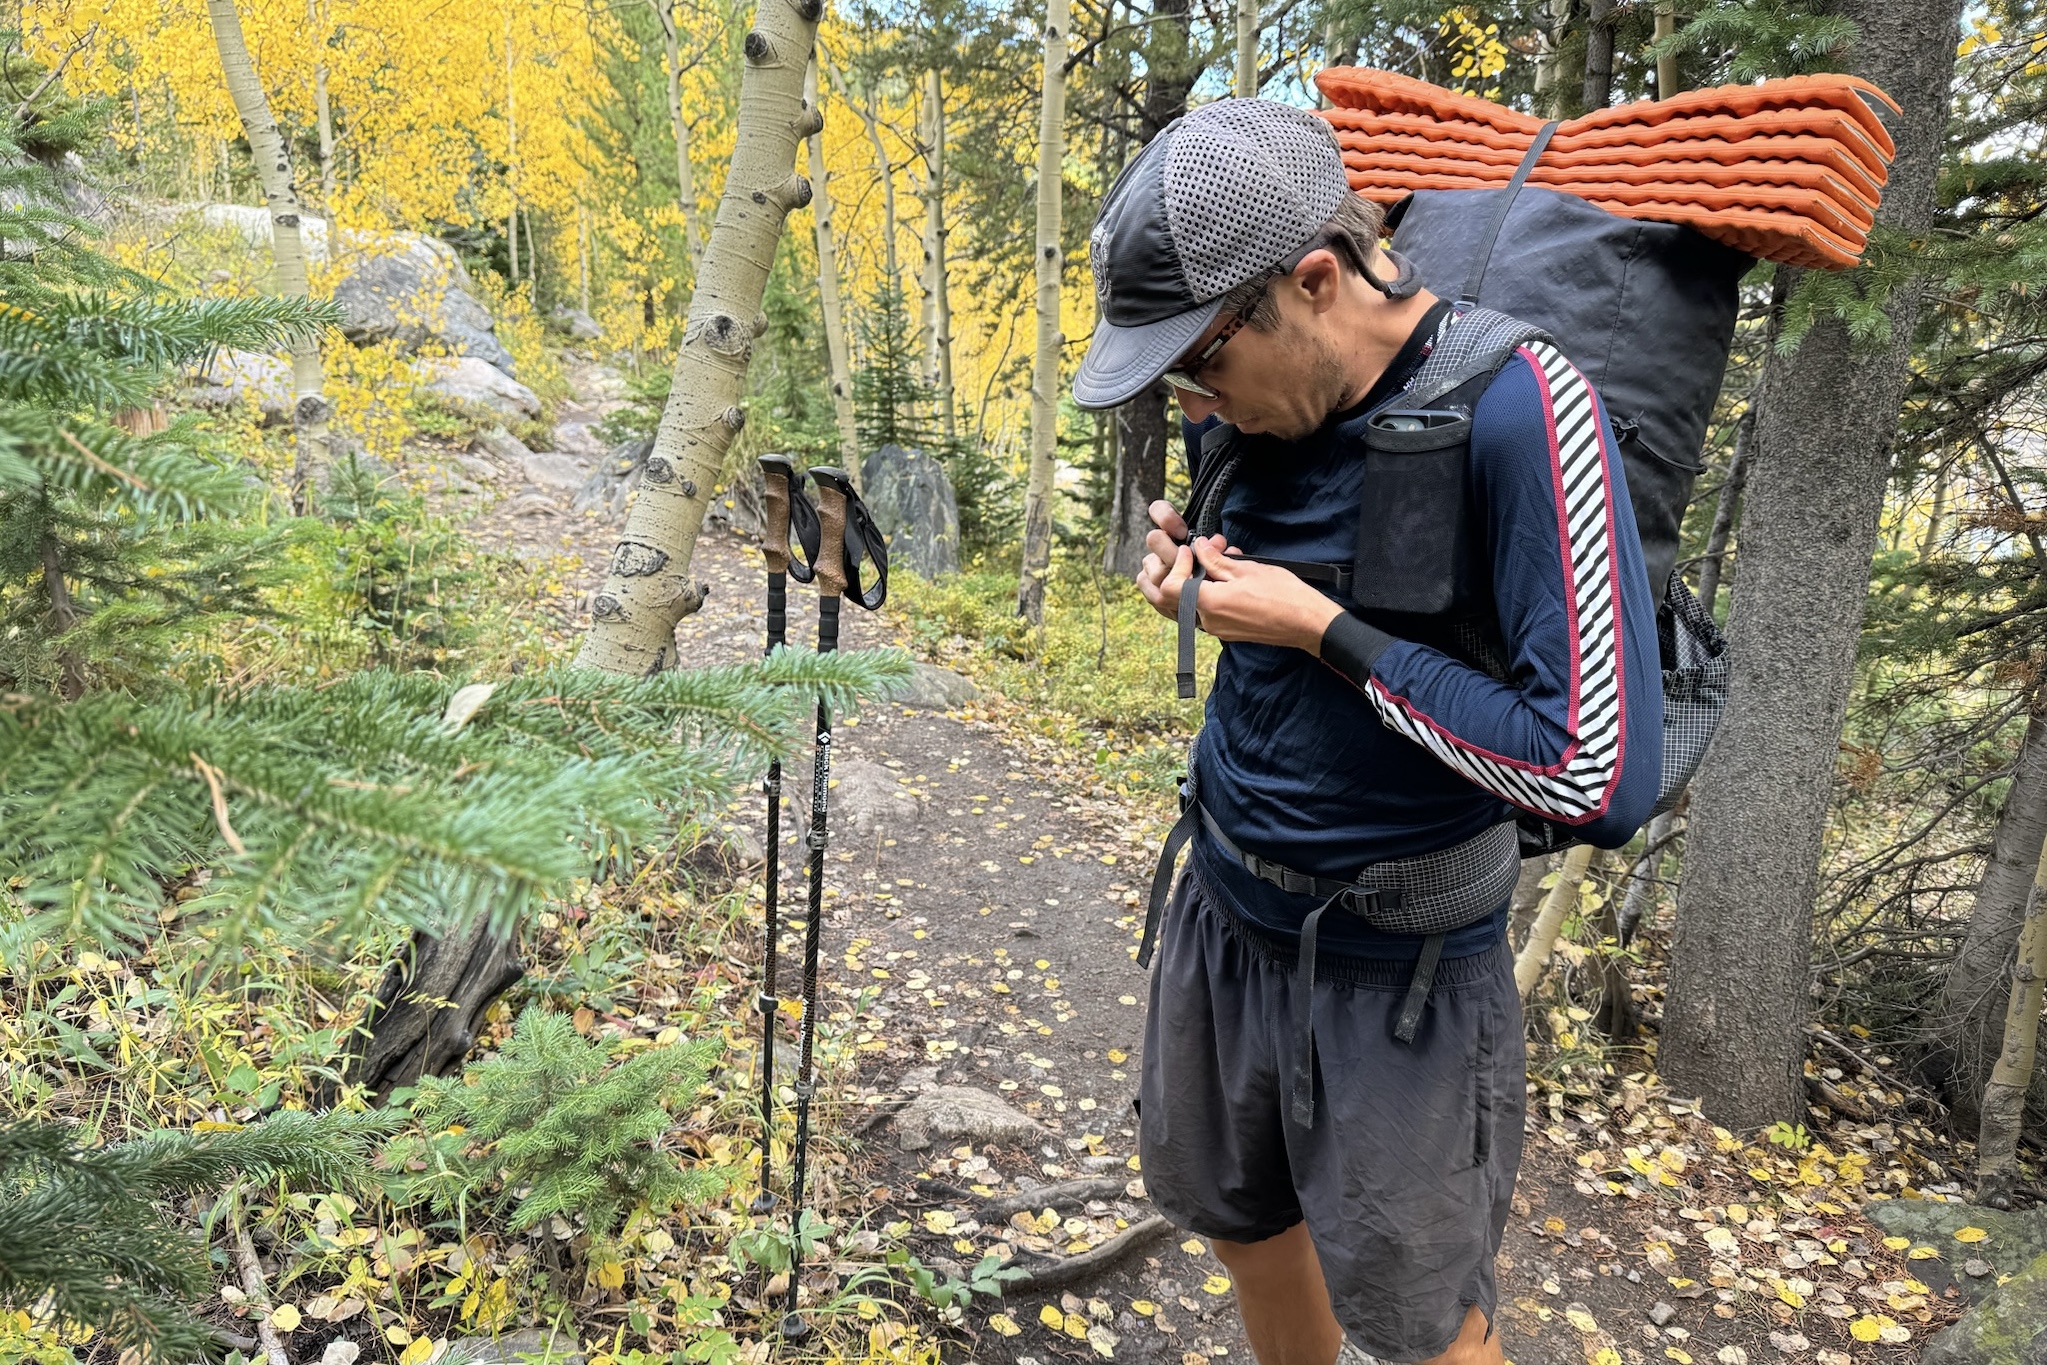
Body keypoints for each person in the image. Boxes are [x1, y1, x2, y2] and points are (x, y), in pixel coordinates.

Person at [1072, 98, 1663, 1365]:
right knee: (1236, 1221)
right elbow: (1267, 570)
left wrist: (1321, 630)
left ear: (1316, 280)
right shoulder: (1250, 396)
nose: (1194, 397)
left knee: (1426, 1324)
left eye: (1204, 362)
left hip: (1398, 977)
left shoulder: (1519, 408)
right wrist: (1197, 574)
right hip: (1225, 914)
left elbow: (1595, 773)